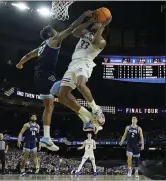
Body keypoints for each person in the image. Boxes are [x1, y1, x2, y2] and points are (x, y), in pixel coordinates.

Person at [16, 10, 95, 151]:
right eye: (54, 30)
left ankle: (46, 137)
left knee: (49, 106)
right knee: (65, 93)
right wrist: (84, 17)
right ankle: (85, 119)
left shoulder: (40, 47)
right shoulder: (54, 40)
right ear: (50, 34)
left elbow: (28, 55)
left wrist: (20, 64)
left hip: (38, 78)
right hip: (46, 76)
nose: (56, 31)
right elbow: (71, 28)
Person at [58, 17, 112, 129]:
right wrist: (90, 20)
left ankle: (96, 109)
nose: (97, 22)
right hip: (73, 63)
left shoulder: (102, 41)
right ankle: (88, 117)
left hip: (85, 62)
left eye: (99, 22)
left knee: (80, 85)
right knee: (62, 96)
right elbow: (74, 32)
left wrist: (102, 25)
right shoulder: (85, 32)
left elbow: (94, 42)